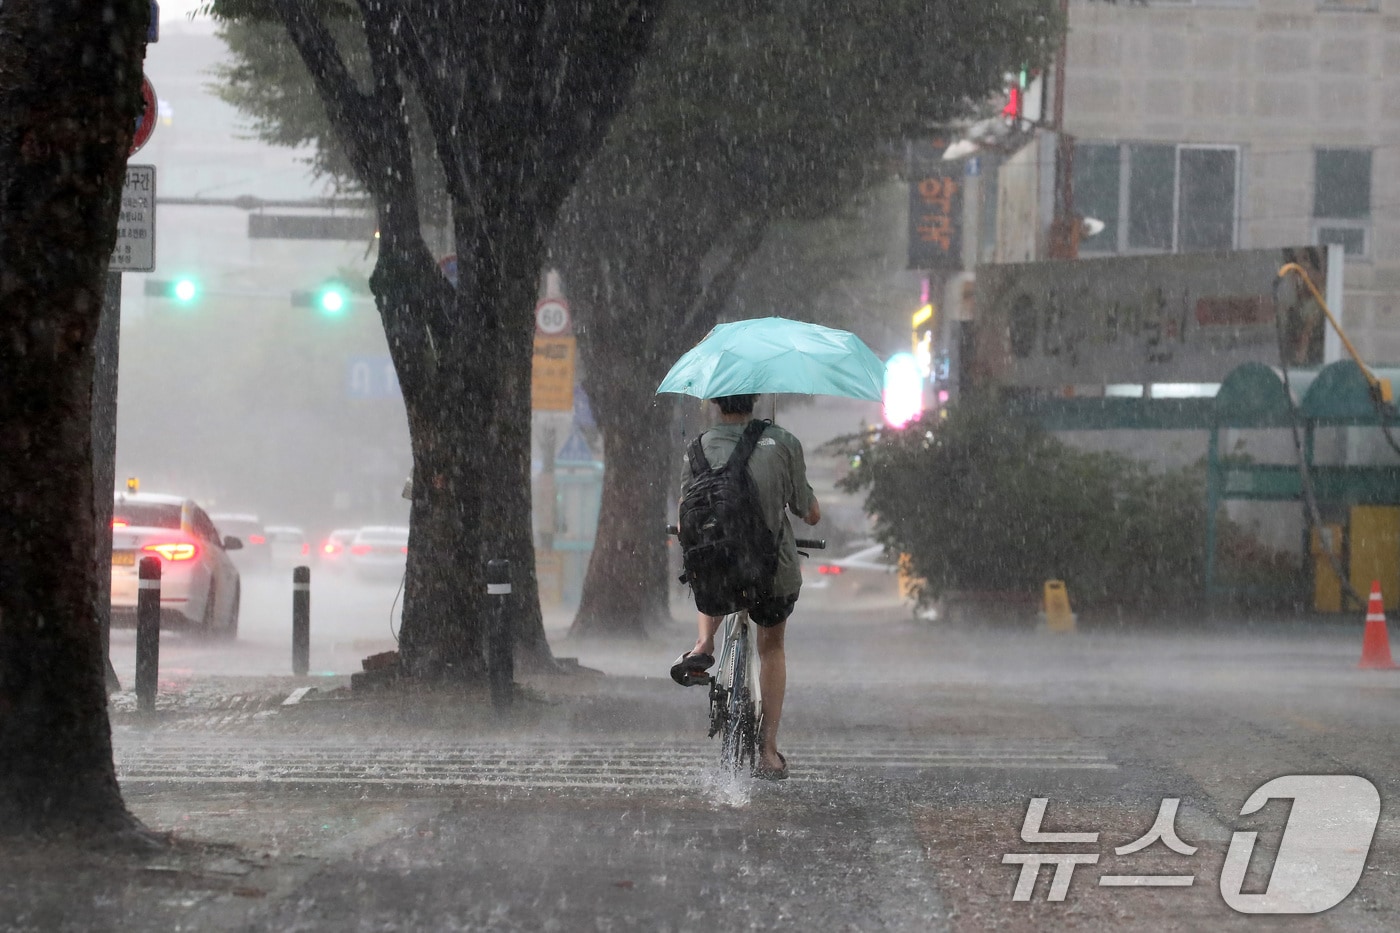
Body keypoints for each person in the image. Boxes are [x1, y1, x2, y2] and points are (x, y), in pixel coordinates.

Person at [671, 393, 820, 780]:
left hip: (719, 567)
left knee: (709, 563)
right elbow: (809, 511)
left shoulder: (697, 449)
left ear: (717, 401)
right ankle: (768, 750)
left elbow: (684, 512)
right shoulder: (783, 442)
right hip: (771, 572)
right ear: (755, 400)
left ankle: (703, 644)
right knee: (772, 647)